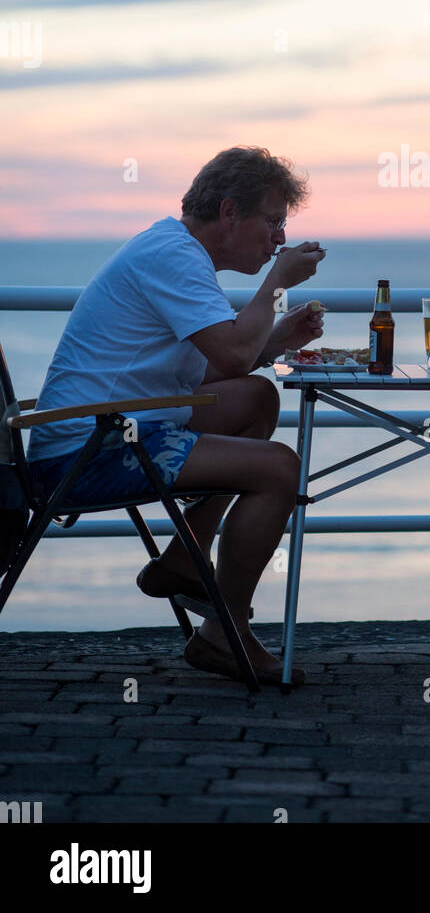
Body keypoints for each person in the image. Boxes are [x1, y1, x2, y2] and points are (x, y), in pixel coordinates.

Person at [25, 146, 326, 685]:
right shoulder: (174, 256)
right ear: (230, 212)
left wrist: (278, 339)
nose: (279, 238)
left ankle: (187, 556)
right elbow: (231, 355)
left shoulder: (175, 252)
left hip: (117, 427)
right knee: (280, 468)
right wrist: (277, 285)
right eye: (273, 221)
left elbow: (210, 374)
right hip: (90, 452)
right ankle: (225, 632)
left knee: (257, 399)